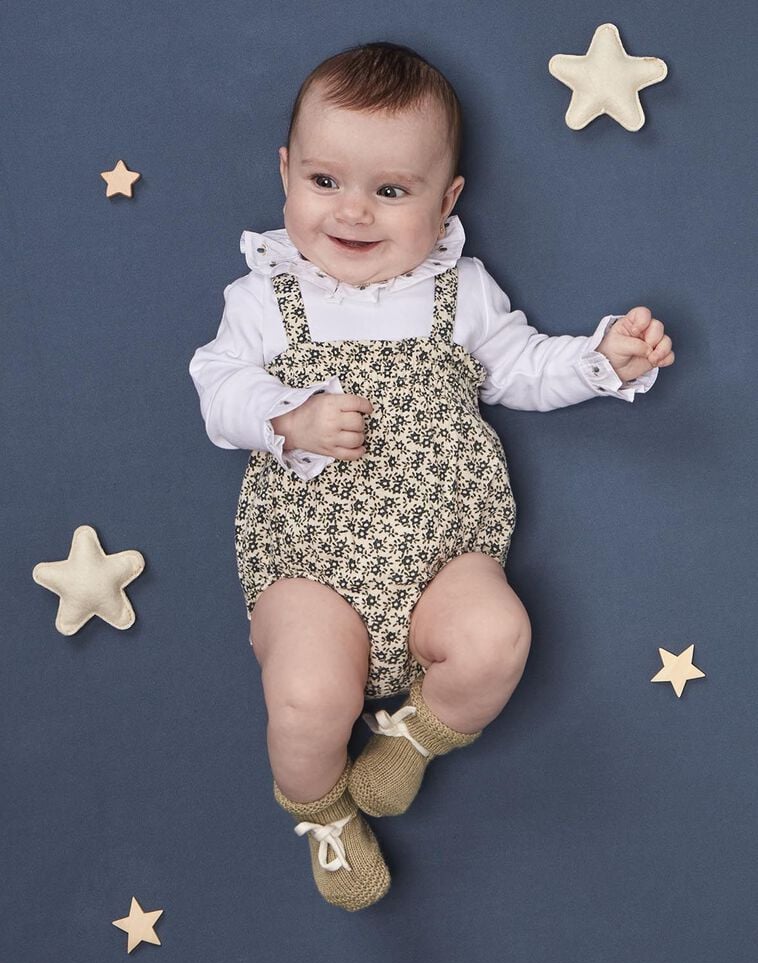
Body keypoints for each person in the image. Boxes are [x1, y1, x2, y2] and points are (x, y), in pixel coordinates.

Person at [188, 41, 674, 912]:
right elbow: (217, 387)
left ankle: (412, 737)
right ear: (286, 172)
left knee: (497, 639)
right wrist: (287, 416)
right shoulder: (264, 296)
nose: (353, 212)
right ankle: (325, 809)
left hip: (443, 556)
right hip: (309, 566)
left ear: (446, 200)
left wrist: (604, 360)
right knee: (303, 701)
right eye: (325, 181)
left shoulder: (460, 291)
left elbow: (521, 367)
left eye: (391, 191)